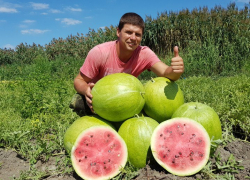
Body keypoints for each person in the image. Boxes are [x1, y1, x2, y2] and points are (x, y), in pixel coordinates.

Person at [69, 12, 184, 116]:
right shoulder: (100, 52)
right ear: (118, 32)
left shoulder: (144, 54)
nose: (133, 38)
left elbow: (165, 72)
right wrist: (85, 90)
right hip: (100, 101)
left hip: (126, 100)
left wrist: (175, 70)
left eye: (138, 34)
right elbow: (78, 80)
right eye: (128, 32)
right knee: (78, 100)